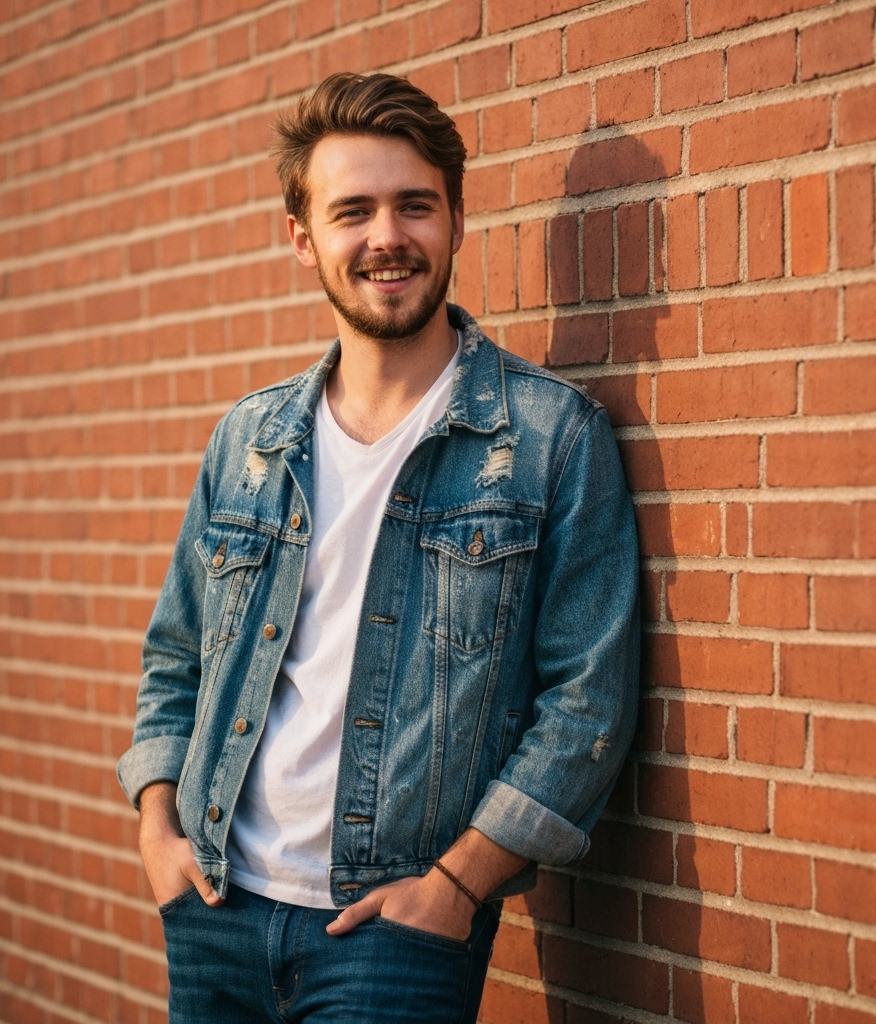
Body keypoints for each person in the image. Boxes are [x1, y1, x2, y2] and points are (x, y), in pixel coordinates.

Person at [116, 72, 639, 1024]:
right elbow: (177, 657)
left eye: (415, 206)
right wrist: (159, 829)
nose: (387, 236)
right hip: (216, 909)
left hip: (395, 935)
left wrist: (456, 886)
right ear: (302, 237)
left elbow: (586, 699)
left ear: (456, 222)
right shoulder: (250, 441)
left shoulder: (551, 439)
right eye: (352, 211)